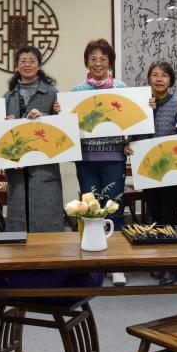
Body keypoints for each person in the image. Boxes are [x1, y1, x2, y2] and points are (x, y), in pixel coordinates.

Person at [64, 39, 128, 287]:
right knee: (90, 210)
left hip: (114, 158)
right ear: (86, 62)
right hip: (87, 159)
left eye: (103, 59)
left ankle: (117, 264)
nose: (98, 63)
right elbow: (68, 124)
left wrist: (129, 141)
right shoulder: (76, 91)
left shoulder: (121, 88)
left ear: (110, 61)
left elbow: (132, 121)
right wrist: (62, 112)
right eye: (93, 59)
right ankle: (93, 262)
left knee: (114, 210)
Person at [125, 61, 177, 285]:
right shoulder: (141, 104)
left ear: (171, 80)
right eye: (155, 75)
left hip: (172, 169)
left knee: (170, 216)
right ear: (149, 78)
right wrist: (127, 144)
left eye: (164, 75)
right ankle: (161, 260)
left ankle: (172, 265)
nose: (159, 79)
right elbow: (132, 133)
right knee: (156, 215)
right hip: (147, 168)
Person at [3, 45, 63, 232]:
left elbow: (63, 129)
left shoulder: (52, 93)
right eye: (23, 61)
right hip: (17, 167)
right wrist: (5, 124)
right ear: (17, 65)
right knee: (19, 218)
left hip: (44, 166)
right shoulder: (8, 96)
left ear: (39, 65)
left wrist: (45, 117)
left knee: (46, 219)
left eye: (32, 61)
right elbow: (1, 135)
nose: (27, 65)